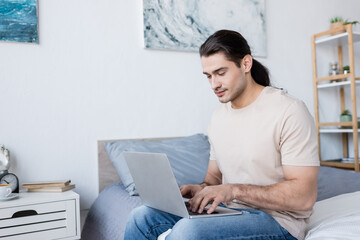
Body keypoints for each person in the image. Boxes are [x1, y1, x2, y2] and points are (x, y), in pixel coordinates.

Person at [124, 29, 319, 240]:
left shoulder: (289, 110)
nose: (213, 84)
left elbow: (304, 196)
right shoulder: (219, 118)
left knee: (188, 231)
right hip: (228, 212)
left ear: (246, 64)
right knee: (141, 216)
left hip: (278, 221)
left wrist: (233, 191)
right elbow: (213, 178)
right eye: (208, 76)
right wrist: (200, 189)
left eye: (220, 73)